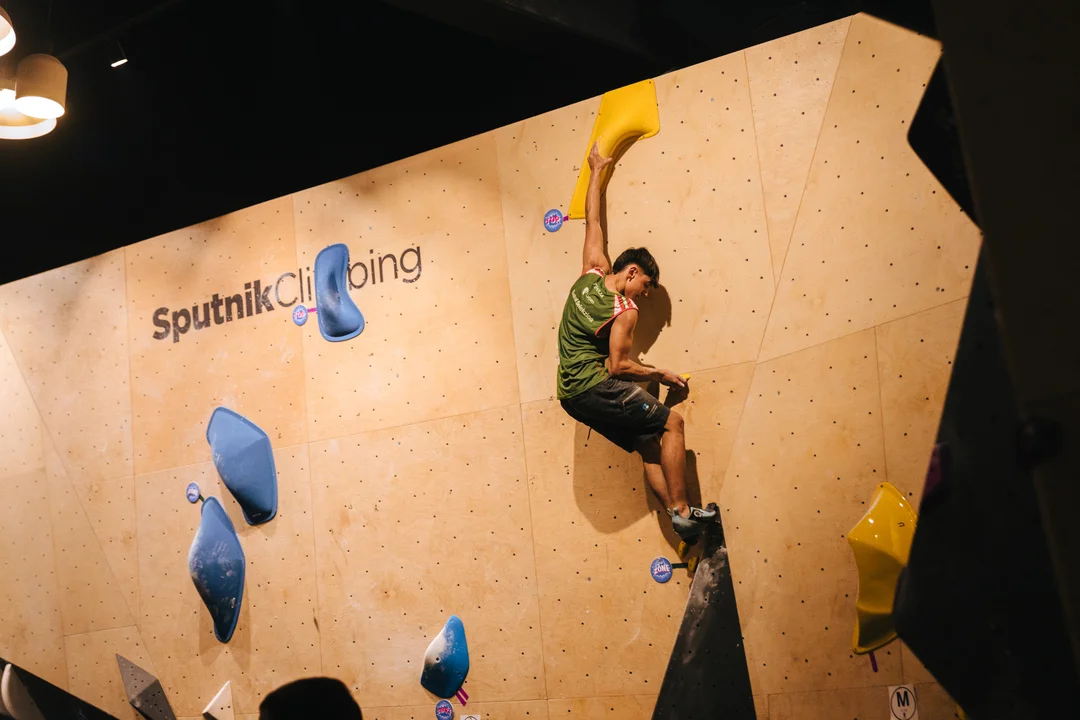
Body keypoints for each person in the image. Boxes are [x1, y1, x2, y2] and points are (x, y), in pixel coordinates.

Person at [556, 142, 717, 542]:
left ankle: (680, 519)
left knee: (648, 443)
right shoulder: (624, 308)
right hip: (593, 387)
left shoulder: (591, 272)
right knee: (672, 423)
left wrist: (597, 170)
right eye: (645, 285)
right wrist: (658, 373)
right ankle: (684, 511)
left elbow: (593, 220)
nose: (643, 295)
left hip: (569, 394)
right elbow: (618, 367)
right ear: (631, 272)